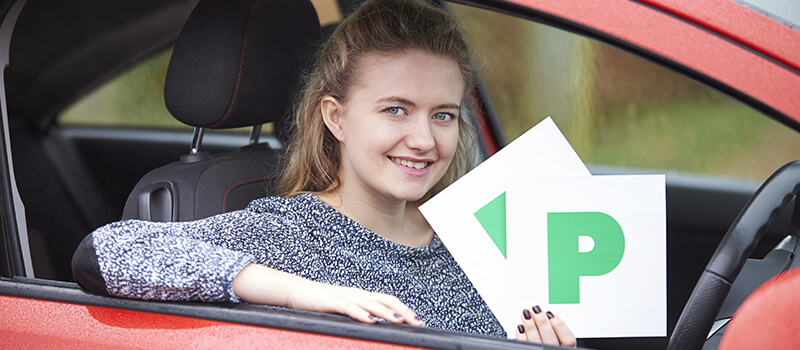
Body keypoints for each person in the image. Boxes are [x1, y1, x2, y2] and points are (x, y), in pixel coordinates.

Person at [71, 0, 575, 346]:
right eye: (396, 110)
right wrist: (307, 294)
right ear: (335, 117)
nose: (425, 139)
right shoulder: (292, 233)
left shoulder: (480, 230)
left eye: (442, 114)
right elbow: (105, 254)